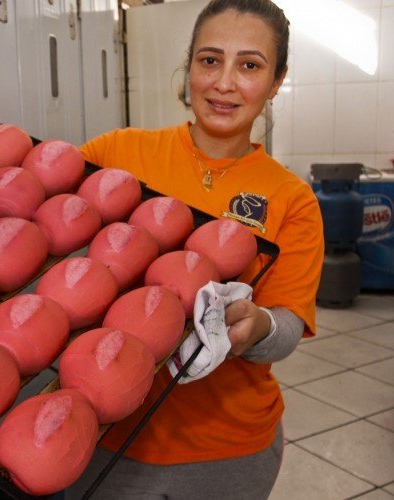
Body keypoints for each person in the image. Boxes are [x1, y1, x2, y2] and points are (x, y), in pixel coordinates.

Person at [68, 0, 324, 498]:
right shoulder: (117, 154)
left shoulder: (291, 198)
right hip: (106, 437)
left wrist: (257, 327)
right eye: (210, 60)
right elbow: (32, 203)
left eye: (249, 65)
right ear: (189, 67)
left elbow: (289, 325)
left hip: (227, 449)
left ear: (276, 82)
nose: (224, 83)